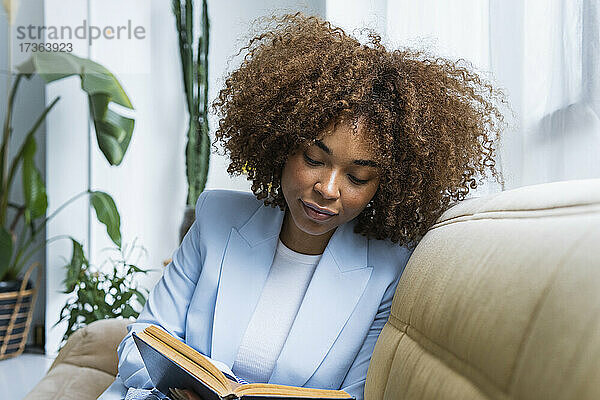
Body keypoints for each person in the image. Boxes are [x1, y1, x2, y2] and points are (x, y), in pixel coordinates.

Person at [99, 12, 505, 400]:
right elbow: (143, 341)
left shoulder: (389, 270)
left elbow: (354, 394)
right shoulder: (216, 218)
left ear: (388, 184)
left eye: (358, 177)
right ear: (280, 144)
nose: (328, 189)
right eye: (313, 159)